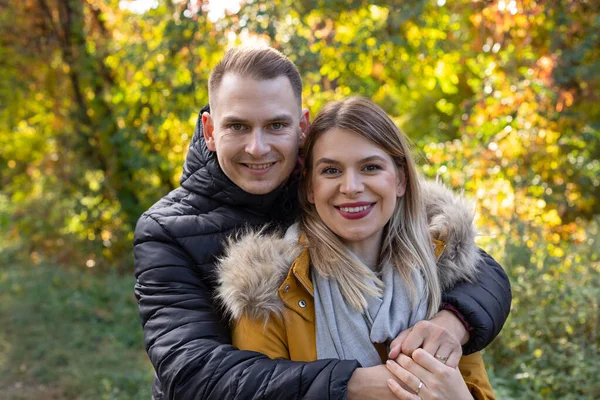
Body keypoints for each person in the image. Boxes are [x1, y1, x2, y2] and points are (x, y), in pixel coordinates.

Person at [133, 46, 511, 400]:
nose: (258, 147)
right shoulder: (168, 231)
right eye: (238, 127)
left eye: (276, 125)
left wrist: (454, 320)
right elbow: (189, 370)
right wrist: (355, 383)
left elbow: (469, 262)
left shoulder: (342, 191)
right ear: (211, 130)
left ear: (302, 127)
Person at [216, 96, 495, 399]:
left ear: (400, 179)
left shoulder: (440, 276)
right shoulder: (271, 290)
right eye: (331, 171)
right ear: (310, 187)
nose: (351, 187)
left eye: (370, 167)